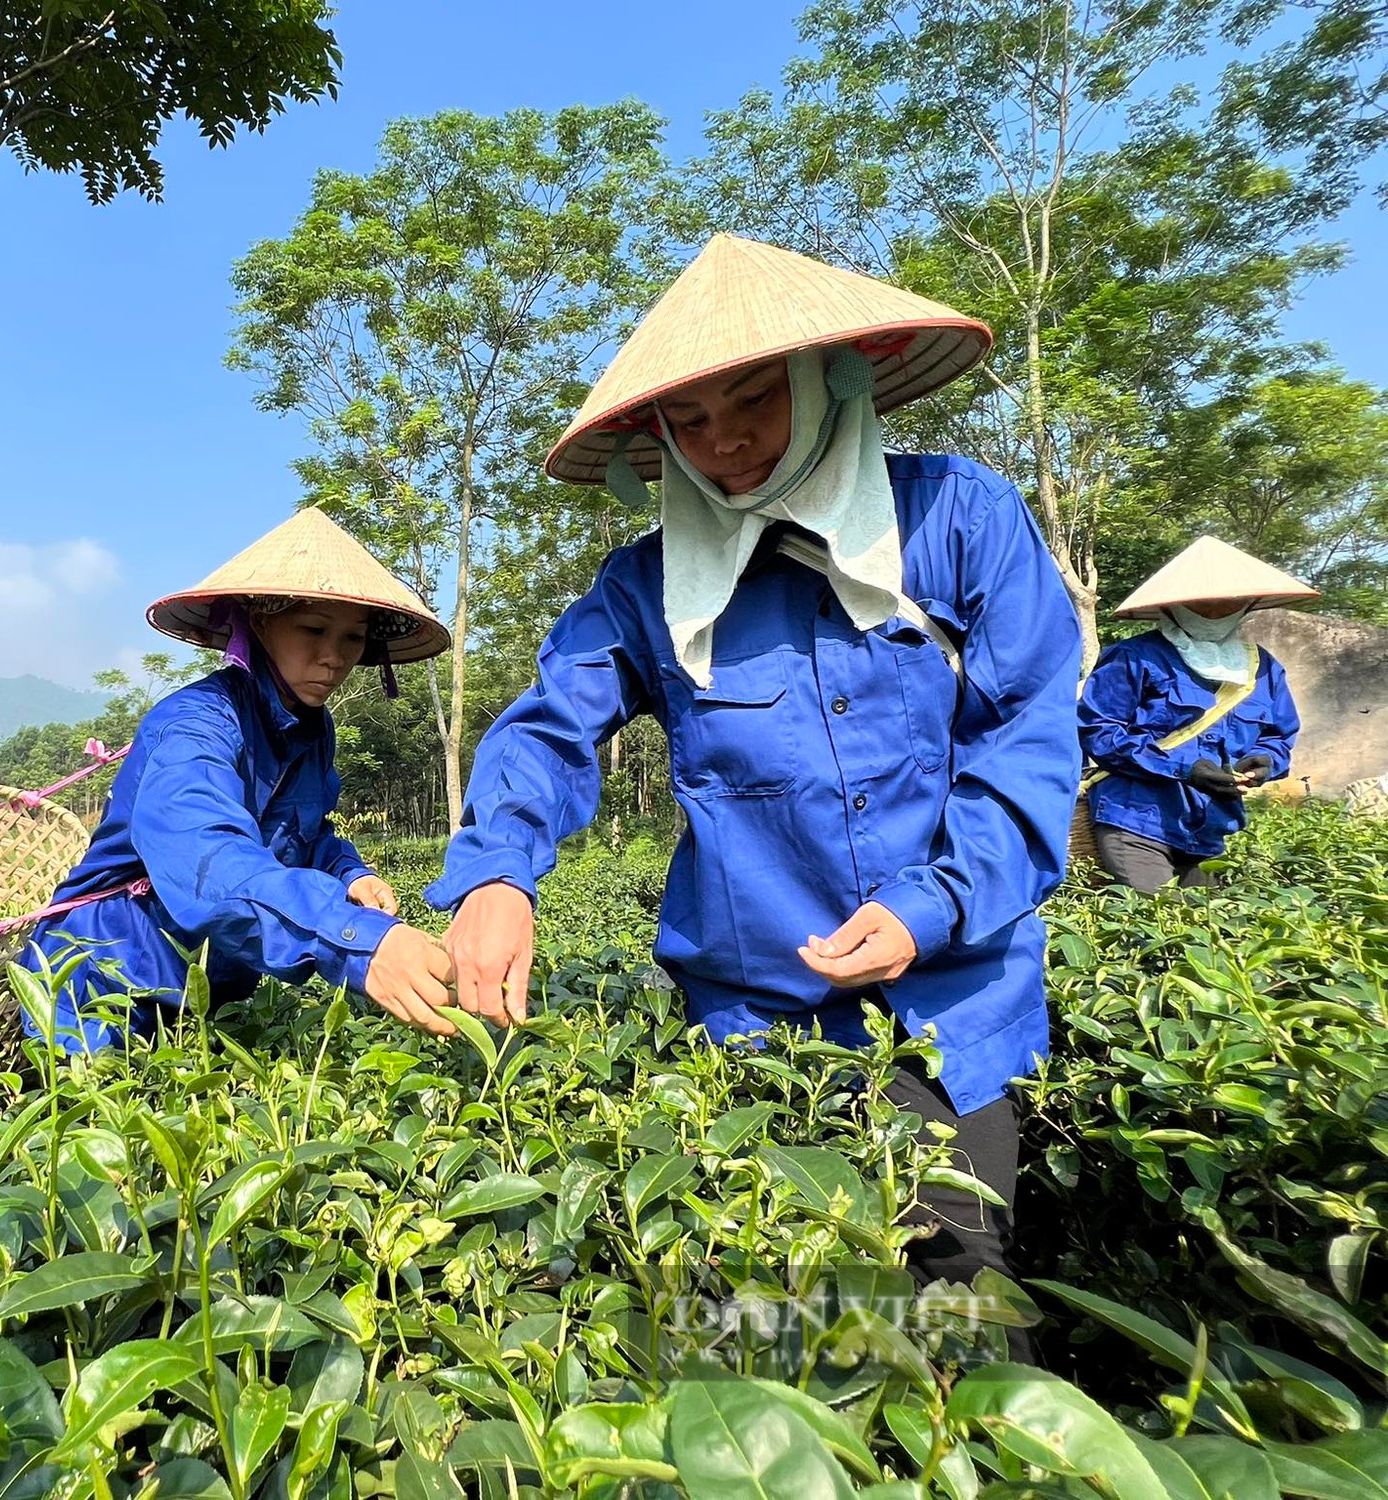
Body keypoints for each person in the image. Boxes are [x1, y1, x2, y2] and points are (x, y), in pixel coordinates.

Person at [426, 234, 1082, 1293]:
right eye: (686, 422)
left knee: (958, 1320)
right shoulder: (644, 587)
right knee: (785, 1331)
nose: (721, 443)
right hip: (755, 1032)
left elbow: (1028, 745)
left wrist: (931, 906)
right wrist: (496, 870)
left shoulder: (957, 520)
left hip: (948, 1011)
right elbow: (546, 729)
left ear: (827, 384)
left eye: (750, 403)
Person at [18, 508, 459, 1051]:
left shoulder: (311, 727)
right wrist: (356, 942)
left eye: (353, 638)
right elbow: (209, 861)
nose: (333, 657)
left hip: (207, 989)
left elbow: (303, 833)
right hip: (102, 982)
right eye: (314, 629)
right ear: (260, 622)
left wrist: (348, 873)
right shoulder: (193, 727)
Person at [1078, 537, 1313, 893]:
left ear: (1247, 604)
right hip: (1136, 819)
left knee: (1211, 927)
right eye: (1203, 603)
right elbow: (1099, 731)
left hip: (1211, 826)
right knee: (1155, 923)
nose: (1216, 609)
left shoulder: (1262, 668)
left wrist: (1265, 761)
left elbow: (1278, 737)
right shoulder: (1133, 658)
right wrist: (1183, 768)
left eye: (1229, 602)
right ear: (1174, 606)